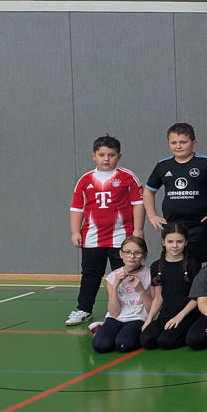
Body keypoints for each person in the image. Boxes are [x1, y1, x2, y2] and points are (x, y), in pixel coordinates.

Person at [67, 135, 145, 327]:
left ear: (119, 156)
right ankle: (84, 309)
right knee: (90, 274)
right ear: (93, 156)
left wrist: (138, 229)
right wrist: (75, 232)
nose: (106, 159)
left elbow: (138, 204)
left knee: (126, 274)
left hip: (122, 237)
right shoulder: (85, 180)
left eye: (111, 155)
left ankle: (130, 310)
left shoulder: (127, 177)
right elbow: (77, 208)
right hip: (92, 237)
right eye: (102, 155)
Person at [143, 122, 207, 265]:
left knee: (194, 264)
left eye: (183, 142)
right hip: (171, 225)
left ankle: (195, 287)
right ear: (168, 143)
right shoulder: (163, 165)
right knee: (172, 262)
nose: (178, 146)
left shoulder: (205, 162)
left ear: (193, 143)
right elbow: (148, 190)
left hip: (197, 225)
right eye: (174, 142)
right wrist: (152, 215)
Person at [139, 223, 202, 350]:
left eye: (179, 241)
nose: (174, 245)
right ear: (163, 242)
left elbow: (197, 297)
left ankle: (189, 331)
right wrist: (149, 319)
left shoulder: (193, 264)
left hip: (187, 315)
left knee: (165, 342)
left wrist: (180, 316)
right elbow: (158, 298)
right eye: (170, 241)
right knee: (147, 340)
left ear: (185, 242)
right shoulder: (156, 266)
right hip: (166, 314)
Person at [91, 236, 153, 354]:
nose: (132, 256)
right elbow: (114, 313)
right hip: (116, 317)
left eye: (137, 253)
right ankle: (101, 329)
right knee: (100, 346)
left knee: (123, 344)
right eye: (127, 252)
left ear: (144, 255)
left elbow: (151, 309)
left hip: (137, 318)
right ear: (121, 254)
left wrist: (140, 290)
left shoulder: (150, 274)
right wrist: (115, 286)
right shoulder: (112, 277)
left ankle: (122, 333)